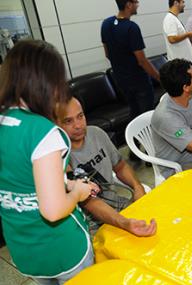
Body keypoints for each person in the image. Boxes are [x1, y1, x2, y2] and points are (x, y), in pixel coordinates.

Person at [0, 40, 99, 284]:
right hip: (63, 250)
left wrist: (63, 184)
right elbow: (53, 210)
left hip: (24, 247)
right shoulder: (42, 132)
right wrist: (77, 191)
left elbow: (23, 179)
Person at [57, 97, 157, 237]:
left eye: (80, 116)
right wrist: (124, 223)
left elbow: (120, 166)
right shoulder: (58, 155)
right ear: (57, 125)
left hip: (117, 206)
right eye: (68, 121)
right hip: (90, 225)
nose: (78, 125)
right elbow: (89, 202)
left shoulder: (96, 134)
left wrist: (137, 186)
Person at [101, 0, 160, 121]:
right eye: (136, 2)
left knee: (134, 113)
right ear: (128, 4)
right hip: (139, 81)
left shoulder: (106, 24)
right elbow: (142, 61)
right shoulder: (132, 28)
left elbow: (107, 54)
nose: (138, 4)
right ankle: (146, 139)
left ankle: (133, 138)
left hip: (121, 81)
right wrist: (160, 78)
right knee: (147, 117)